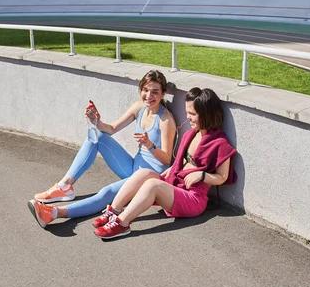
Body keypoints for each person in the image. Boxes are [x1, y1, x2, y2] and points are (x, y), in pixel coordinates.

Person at [28, 69, 177, 228]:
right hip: (133, 167)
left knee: (106, 193)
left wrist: (150, 145)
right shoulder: (139, 107)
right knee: (97, 135)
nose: (149, 96)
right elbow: (112, 128)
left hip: (149, 178)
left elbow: (167, 159)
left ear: (163, 94)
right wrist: (97, 120)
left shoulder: (166, 120)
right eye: (145, 90)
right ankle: (64, 187)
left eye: (155, 92)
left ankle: (54, 213)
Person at [93, 87, 237, 239]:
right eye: (187, 112)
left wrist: (202, 175)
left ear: (207, 114)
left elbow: (222, 177)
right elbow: (181, 162)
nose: (188, 117)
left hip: (194, 198)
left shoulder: (220, 143)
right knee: (144, 173)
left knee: (152, 185)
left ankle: (122, 223)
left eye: (193, 114)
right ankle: (114, 211)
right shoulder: (191, 134)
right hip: (177, 185)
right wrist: (173, 169)